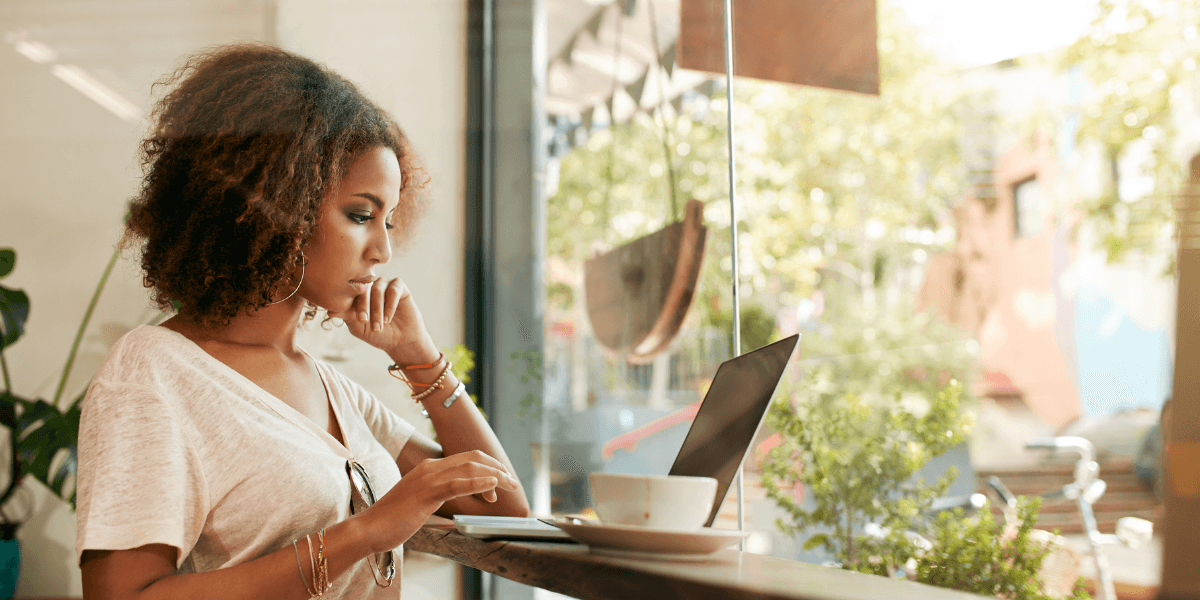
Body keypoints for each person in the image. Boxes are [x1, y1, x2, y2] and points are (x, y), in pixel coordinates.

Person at [75, 43, 528, 599]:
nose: (383, 249)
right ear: (277, 204)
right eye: (361, 215)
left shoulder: (332, 390)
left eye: (388, 219)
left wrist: (420, 359)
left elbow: (503, 508)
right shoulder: (154, 373)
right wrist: (366, 531)